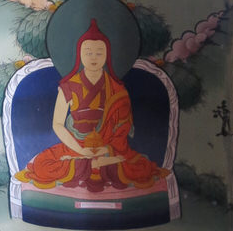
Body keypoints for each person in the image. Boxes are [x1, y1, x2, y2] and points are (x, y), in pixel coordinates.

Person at [16, 19, 168, 192]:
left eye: (99, 53)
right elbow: (57, 124)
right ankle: (95, 165)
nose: (94, 57)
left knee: (141, 168)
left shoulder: (117, 89)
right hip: (75, 146)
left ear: (107, 55)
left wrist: (106, 149)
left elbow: (123, 127)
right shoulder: (68, 87)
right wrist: (81, 150)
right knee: (43, 166)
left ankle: (96, 164)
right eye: (88, 52)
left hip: (109, 148)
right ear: (79, 55)